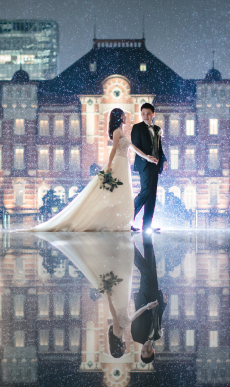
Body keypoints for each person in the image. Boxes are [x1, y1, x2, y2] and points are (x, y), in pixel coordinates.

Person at [23, 108, 157, 232]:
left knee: (123, 193)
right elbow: (114, 149)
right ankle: (117, 221)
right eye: (123, 115)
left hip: (123, 164)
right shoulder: (117, 131)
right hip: (118, 163)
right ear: (119, 117)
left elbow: (132, 147)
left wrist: (147, 157)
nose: (125, 116)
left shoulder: (121, 130)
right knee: (115, 193)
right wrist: (109, 165)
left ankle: (125, 222)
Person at [131, 103, 168, 232]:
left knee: (152, 195)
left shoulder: (157, 129)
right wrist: (147, 157)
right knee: (145, 191)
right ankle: (129, 219)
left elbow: (159, 148)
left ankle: (147, 225)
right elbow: (136, 147)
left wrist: (164, 160)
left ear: (153, 114)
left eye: (148, 113)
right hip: (144, 164)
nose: (145, 116)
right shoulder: (137, 128)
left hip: (155, 165)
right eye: (143, 113)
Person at [130, 233, 166, 364]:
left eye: (143, 352)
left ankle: (129, 244)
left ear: (140, 351)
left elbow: (135, 316)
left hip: (144, 297)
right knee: (151, 261)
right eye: (148, 352)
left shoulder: (137, 336)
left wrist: (146, 306)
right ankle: (146, 233)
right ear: (153, 351)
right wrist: (164, 303)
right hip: (155, 296)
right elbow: (159, 316)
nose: (145, 350)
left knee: (145, 271)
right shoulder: (157, 335)